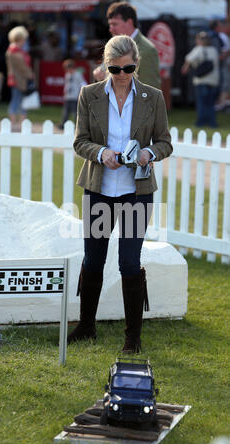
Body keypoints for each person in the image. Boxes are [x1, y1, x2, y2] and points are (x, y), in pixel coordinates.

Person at [67, 35, 172, 353]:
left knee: (129, 262)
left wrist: (149, 154)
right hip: (98, 189)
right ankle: (86, 327)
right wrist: (101, 154)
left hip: (136, 193)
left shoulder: (152, 97)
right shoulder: (89, 94)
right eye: (115, 68)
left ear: (137, 65)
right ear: (106, 65)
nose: (122, 73)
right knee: (94, 260)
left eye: (128, 67)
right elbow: (79, 141)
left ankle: (133, 338)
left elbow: (165, 142)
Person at [93, 1, 161, 89]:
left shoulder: (147, 50)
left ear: (129, 22)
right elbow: (101, 74)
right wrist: (98, 75)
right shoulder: (113, 45)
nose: (111, 29)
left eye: (114, 24)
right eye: (110, 25)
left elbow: (151, 93)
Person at [181, 31, 219, 128]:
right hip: (213, 81)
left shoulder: (199, 49)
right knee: (210, 103)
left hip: (202, 80)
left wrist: (185, 67)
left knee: (202, 103)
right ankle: (212, 122)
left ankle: (201, 122)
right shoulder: (214, 50)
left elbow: (189, 59)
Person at [5, 25, 33, 126]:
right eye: (24, 39)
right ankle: (14, 124)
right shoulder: (14, 51)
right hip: (18, 80)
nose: (25, 41)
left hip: (19, 79)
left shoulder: (17, 50)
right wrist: (30, 74)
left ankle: (19, 123)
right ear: (20, 39)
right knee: (16, 101)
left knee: (19, 101)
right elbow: (22, 66)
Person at [58, 59, 87, 129]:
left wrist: (82, 92)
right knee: (65, 112)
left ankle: (77, 125)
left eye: (68, 69)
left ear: (72, 68)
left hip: (75, 97)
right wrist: (65, 91)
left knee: (76, 113)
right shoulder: (67, 75)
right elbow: (67, 84)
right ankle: (63, 124)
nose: (67, 71)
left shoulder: (78, 74)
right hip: (68, 96)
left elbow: (83, 83)